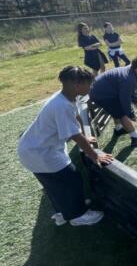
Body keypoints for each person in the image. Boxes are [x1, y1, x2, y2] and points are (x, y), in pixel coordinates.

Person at [17, 66, 114, 226]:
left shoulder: (65, 96)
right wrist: (95, 155)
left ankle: (63, 213)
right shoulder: (61, 106)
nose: (90, 87)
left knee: (54, 184)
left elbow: (76, 116)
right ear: (77, 85)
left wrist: (85, 134)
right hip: (40, 153)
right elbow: (74, 136)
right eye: (89, 84)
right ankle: (78, 216)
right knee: (72, 179)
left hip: (30, 149)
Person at [89, 56, 137, 148]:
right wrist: (131, 115)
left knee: (117, 109)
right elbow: (125, 100)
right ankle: (136, 137)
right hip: (101, 94)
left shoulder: (131, 69)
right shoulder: (128, 78)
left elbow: (132, 88)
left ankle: (119, 129)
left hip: (101, 90)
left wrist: (136, 100)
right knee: (121, 113)